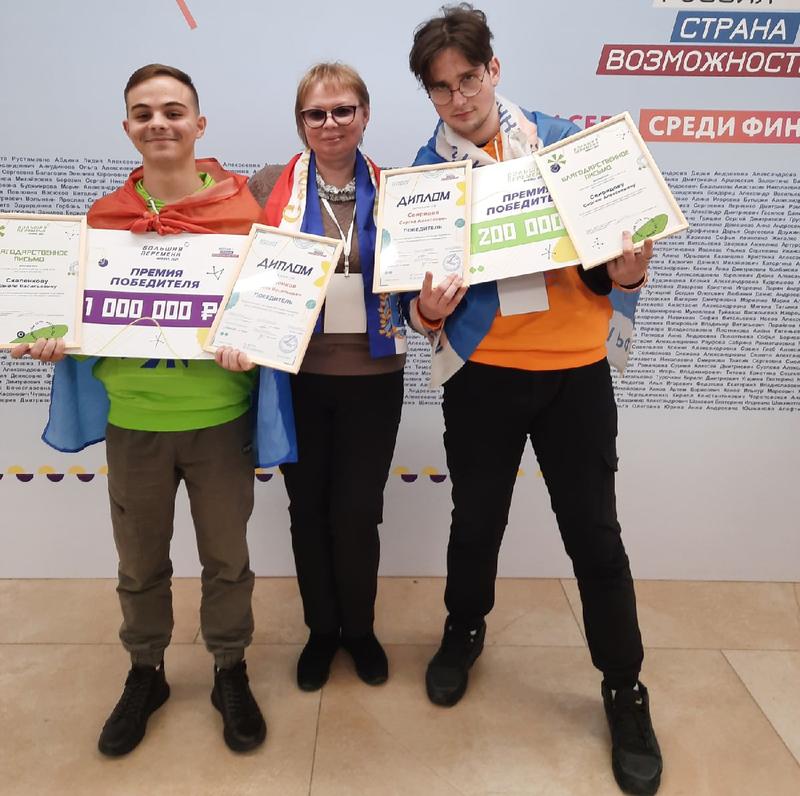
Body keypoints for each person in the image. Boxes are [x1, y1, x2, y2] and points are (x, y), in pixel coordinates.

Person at [405, 6, 662, 795]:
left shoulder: (566, 143)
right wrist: (427, 313)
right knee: (476, 520)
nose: (458, 99)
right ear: (428, 94)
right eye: (441, 88)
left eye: (469, 79)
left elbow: (619, 262)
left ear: (495, 70)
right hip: (482, 375)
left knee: (595, 535)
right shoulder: (427, 173)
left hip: (576, 372)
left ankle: (624, 687)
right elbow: (416, 307)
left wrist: (629, 272)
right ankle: (463, 628)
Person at [12, 64, 296, 756]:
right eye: (144, 113)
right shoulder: (103, 220)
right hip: (134, 421)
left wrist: (255, 345)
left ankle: (230, 668)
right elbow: (73, 317)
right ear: (128, 128)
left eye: (173, 110)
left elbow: (270, 311)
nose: (159, 123)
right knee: (139, 563)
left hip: (218, 420)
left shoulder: (243, 215)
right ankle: (147, 671)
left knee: (226, 559)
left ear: (199, 124)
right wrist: (49, 339)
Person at [248, 63, 407, 692]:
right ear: (301, 122)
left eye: (344, 110)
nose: (331, 122)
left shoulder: (397, 191)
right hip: (298, 377)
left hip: (374, 375)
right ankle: (321, 630)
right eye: (317, 113)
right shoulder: (269, 185)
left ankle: (359, 630)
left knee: (359, 510)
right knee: (307, 509)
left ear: (365, 115)